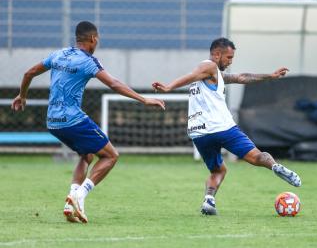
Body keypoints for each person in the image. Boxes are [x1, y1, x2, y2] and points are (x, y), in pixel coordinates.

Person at [11, 21, 165, 223]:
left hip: (53, 122)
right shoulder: (88, 61)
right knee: (111, 156)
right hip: (72, 119)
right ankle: (79, 195)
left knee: (87, 155)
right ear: (93, 39)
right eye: (97, 39)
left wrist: (22, 96)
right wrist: (144, 99)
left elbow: (28, 73)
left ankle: (71, 202)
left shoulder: (58, 54)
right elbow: (113, 83)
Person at [152, 37, 301, 215]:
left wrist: (270, 75)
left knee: (218, 170)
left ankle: (209, 200)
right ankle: (274, 166)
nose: (230, 62)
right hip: (222, 127)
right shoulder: (209, 66)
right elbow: (190, 76)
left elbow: (242, 77)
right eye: (228, 57)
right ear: (216, 54)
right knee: (256, 157)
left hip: (199, 133)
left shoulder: (214, 75)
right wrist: (169, 87)